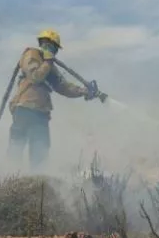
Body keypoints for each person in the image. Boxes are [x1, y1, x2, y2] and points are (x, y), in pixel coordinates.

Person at [7, 29, 98, 169]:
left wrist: (84, 91)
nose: (52, 51)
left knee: (40, 151)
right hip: (24, 109)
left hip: (41, 114)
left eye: (54, 49)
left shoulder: (49, 65)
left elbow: (63, 87)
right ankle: (9, 176)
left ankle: (37, 182)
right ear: (43, 43)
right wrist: (48, 63)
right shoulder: (31, 54)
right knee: (16, 147)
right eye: (51, 46)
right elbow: (35, 76)